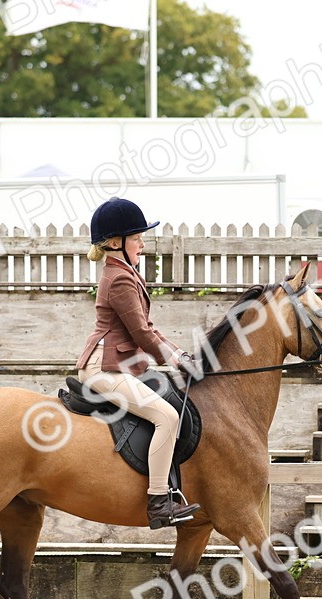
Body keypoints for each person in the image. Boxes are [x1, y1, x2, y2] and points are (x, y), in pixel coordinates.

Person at [76, 197, 200, 529]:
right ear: (116, 243)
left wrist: (179, 355)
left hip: (121, 364)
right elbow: (142, 333)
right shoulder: (118, 279)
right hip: (104, 368)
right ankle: (159, 502)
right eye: (138, 238)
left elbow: (149, 328)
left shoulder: (125, 273)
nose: (143, 244)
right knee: (167, 417)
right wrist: (174, 360)